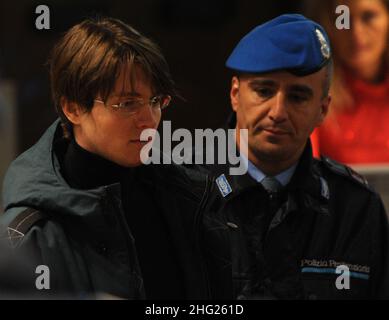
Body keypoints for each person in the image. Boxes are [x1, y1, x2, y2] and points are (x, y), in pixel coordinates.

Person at [0, 17, 217, 299]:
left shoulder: (188, 194)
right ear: (73, 108)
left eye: (155, 101)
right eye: (127, 104)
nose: (149, 120)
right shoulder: (33, 231)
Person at [201, 14, 389, 299]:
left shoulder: (356, 208)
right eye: (264, 91)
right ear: (236, 94)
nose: (278, 112)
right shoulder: (182, 194)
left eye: (298, 97)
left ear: (323, 110)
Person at [307, 0, 389, 164]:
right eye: (342, 19)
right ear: (327, 25)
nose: (356, 33)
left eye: (368, 17)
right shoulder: (312, 91)